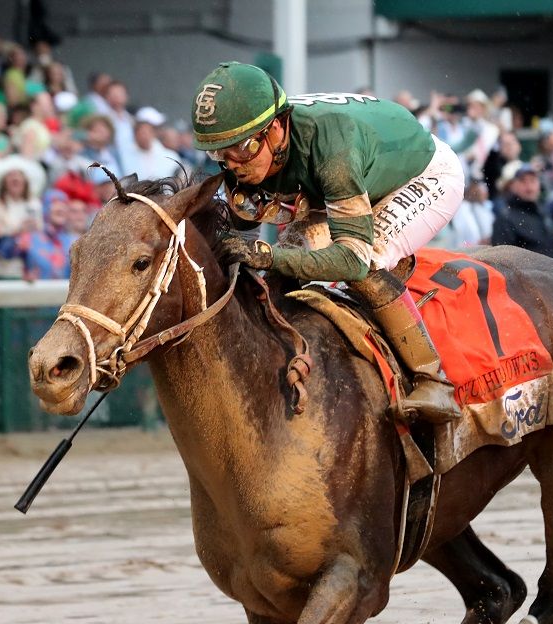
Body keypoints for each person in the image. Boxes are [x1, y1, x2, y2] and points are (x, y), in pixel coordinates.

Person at [191, 61, 465, 422]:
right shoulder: (245, 151)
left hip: (423, 174)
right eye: (219, 153)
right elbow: (242, 243)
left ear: (276, 129)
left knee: (368, 261)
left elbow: (351, 260)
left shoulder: (331, 149)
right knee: (286, 261)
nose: (233, 165)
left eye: (240, 150)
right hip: (346, 177)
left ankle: (433, 379)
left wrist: (269, 256)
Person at [0, 155, 44, 278]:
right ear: (3, 181)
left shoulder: (34, 204)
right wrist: (18, 229)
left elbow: (41, 231)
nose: (15, 179)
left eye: (19, 175)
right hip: (4, 266)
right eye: (11, 176)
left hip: (31, 267)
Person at [491, 163, 553, 261]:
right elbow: (501, 260)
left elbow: (550, 250)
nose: (529, 187)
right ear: (513, 186)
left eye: (532, 180)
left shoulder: (544, 213)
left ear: (539, 185)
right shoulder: (505, 218)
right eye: (523, 181)